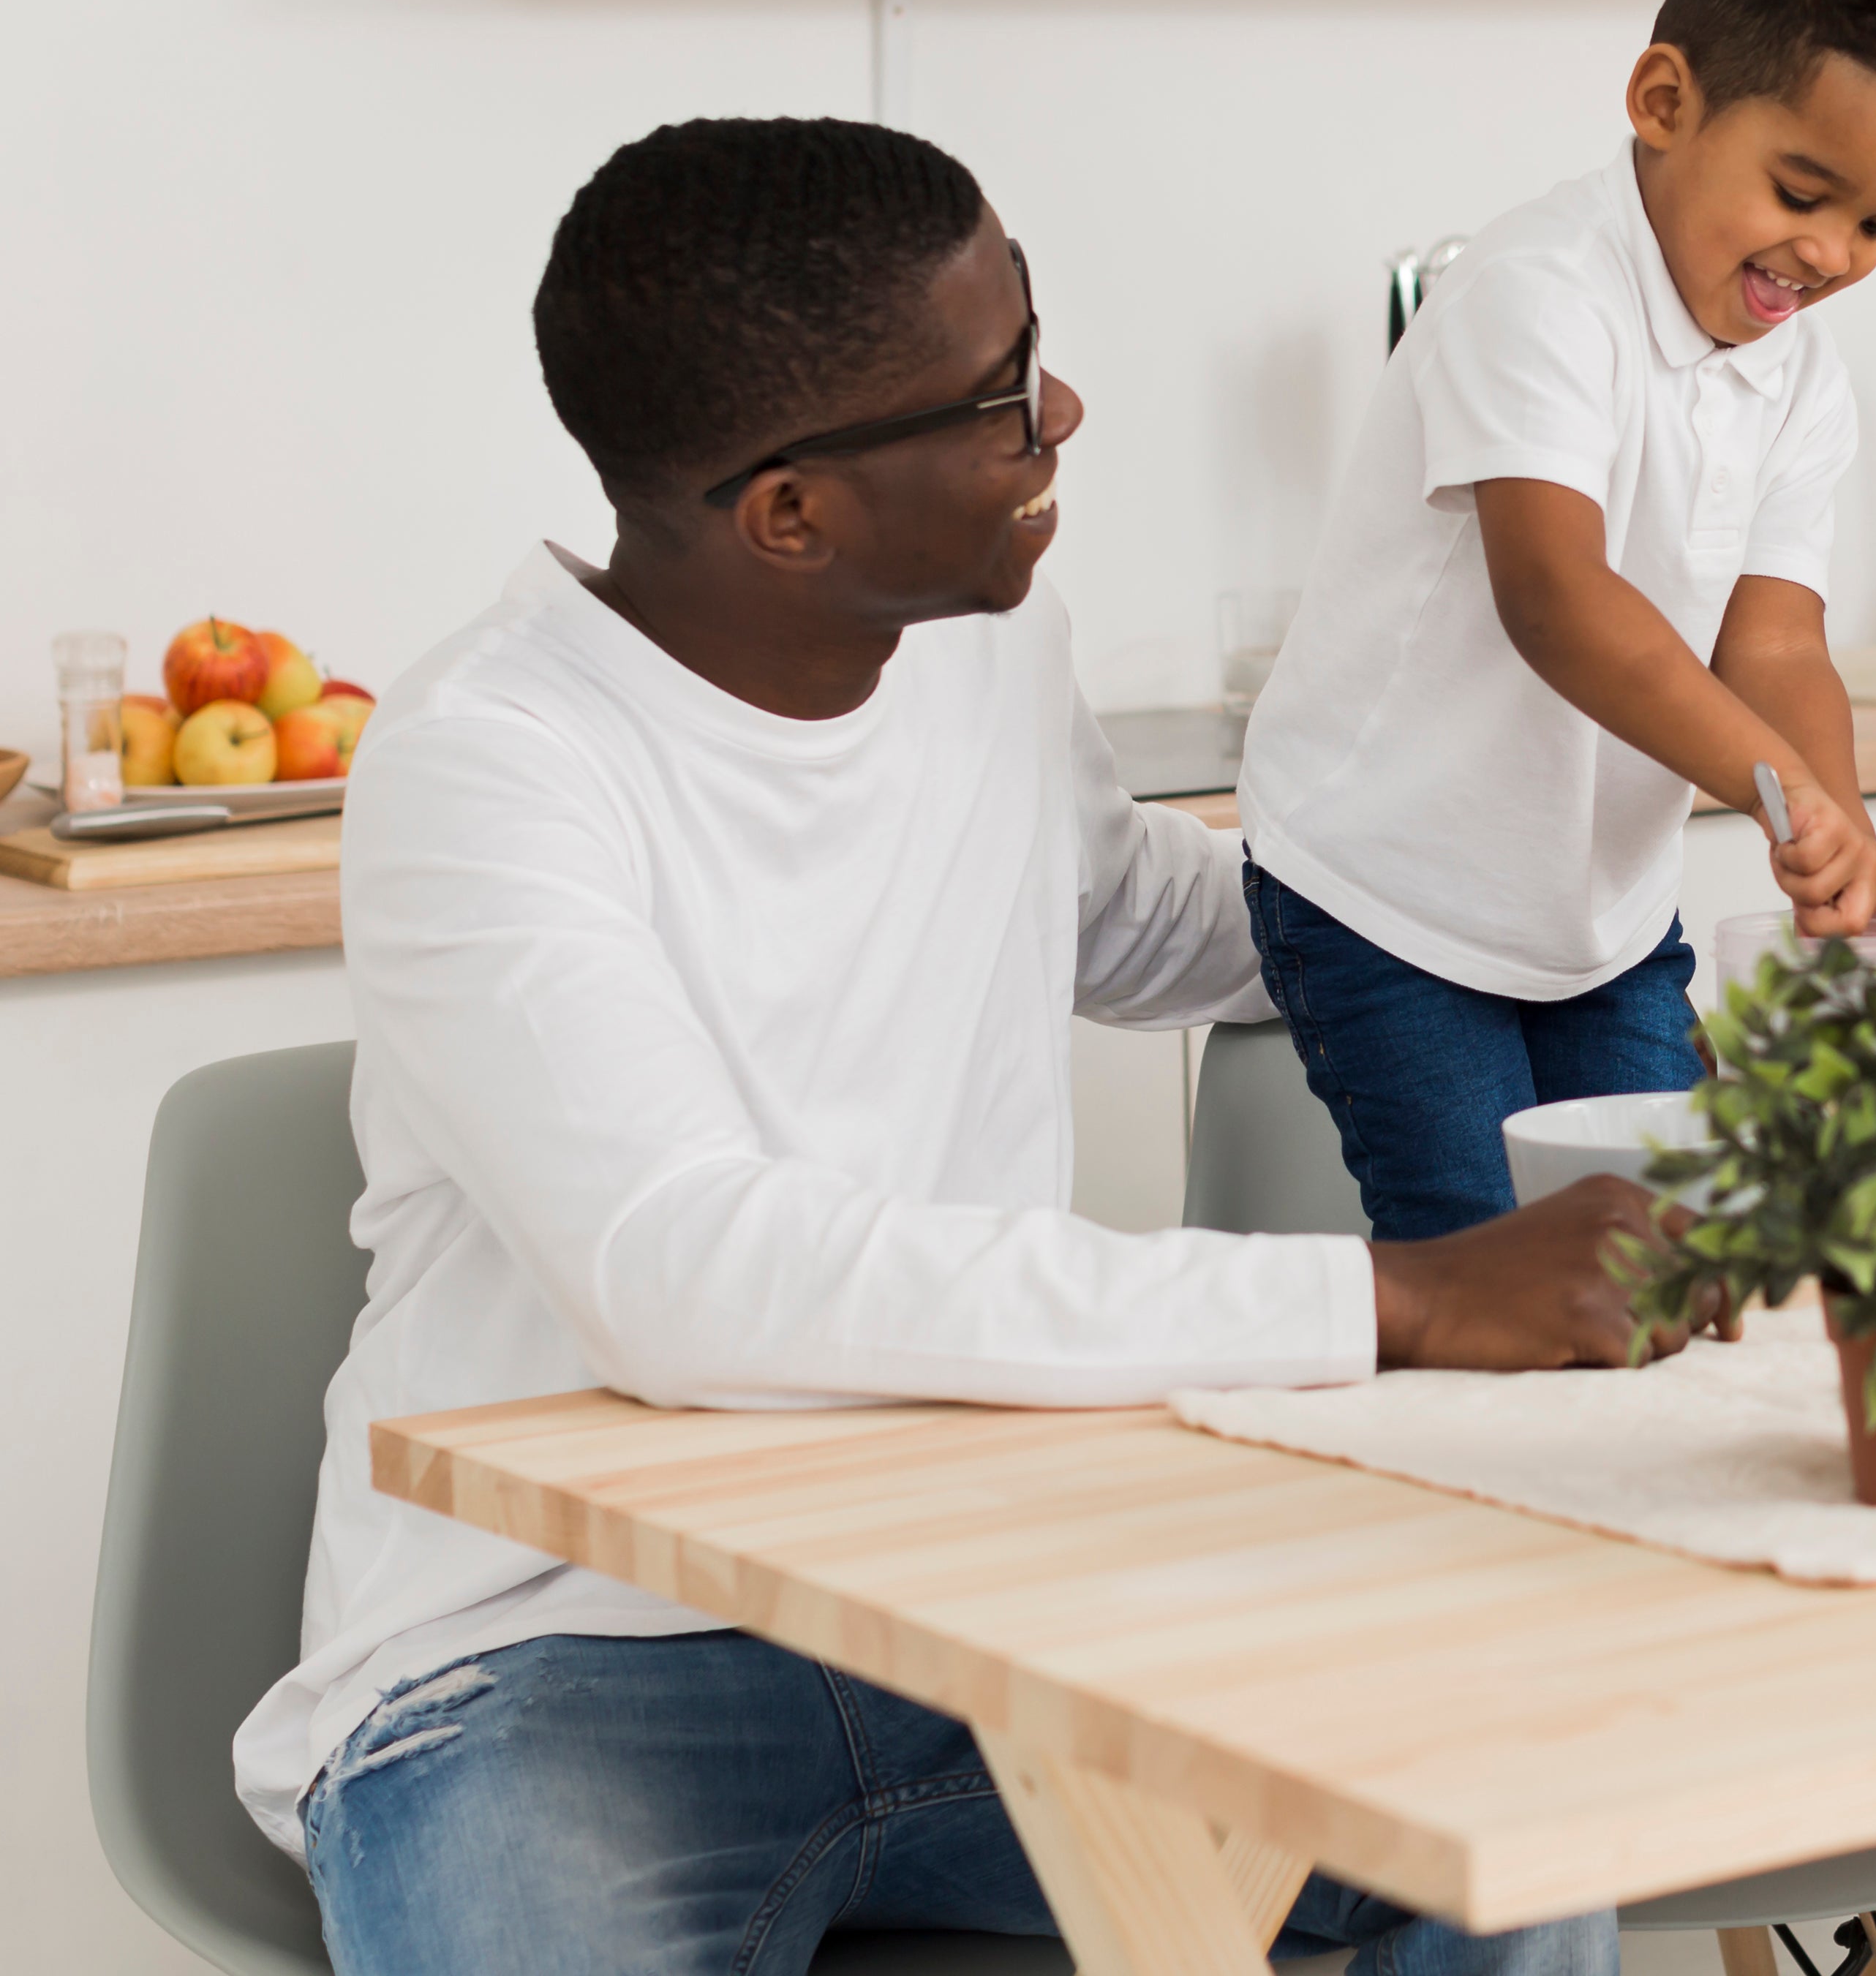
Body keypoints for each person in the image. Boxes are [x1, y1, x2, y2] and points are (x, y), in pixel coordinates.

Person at [243, 117, 1698, 1976]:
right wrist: (1396, 1297)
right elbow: (695, 1276)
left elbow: (1155, 916)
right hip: (549, 1665)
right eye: (1005, 393)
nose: (1065, 407)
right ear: (793, 511)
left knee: (1520, 1800)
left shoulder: (984, 650)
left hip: (993, 1608)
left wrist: (1561, 920)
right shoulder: (493, 763)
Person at [1236, 0, 1876, 1239]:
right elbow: (1562, 605)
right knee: (1495, 1266)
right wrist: (1788, 793)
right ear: (1665, 99)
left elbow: (1774, 641)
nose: (1834, 254)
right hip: (1388, 897)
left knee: (1669, 1261)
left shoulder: (1799, 376)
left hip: (1594, 918)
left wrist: (1833, 831)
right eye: (1802, 193)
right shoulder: (1537, 294)